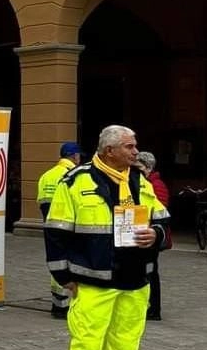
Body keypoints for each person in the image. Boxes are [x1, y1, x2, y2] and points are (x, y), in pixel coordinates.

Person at [45, 125, 170, 350]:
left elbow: (160, 217)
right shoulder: (76, 180)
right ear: (109, 150)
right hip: (94, 280)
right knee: (88, 342)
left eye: (136, 146)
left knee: (127, 342)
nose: (136, 152)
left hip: (135, 278)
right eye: (129, 146)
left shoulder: (138, 179)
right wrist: (63, 276)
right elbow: (55, 232)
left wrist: (156, 234)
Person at [36, 141, 83, 318]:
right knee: (69, 263)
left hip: (50, 224)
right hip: (68, 225)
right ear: (75, 156)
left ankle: (58, 304)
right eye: (79, 156)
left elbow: (41, 202)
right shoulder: (72, 175)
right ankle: (66, 304)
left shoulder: (46, 175)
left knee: (56, 262)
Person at [135, 151, 168, 321]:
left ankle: (154, 309)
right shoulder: (142, 182)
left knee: (151, 272)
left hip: (151, 235)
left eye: (139, 167)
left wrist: (153, 230)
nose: (136, 170)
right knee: (147, 271)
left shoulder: (156, 184)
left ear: (148, 168)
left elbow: (161, 210)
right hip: (142, 234)